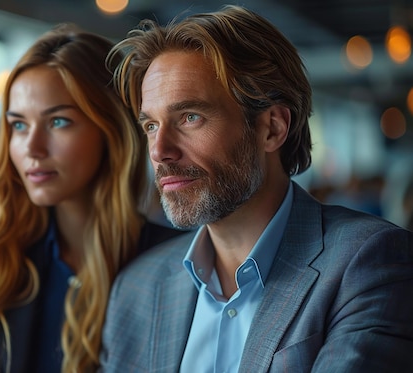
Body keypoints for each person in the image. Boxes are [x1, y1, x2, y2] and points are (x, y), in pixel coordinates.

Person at [100, 5, 413, 372]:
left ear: (272, 128)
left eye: (190, 117)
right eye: (151, 125)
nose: (159, 151)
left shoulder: (369, 263)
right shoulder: (136, 289)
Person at [0, 24, 184, 373]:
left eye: (58, 122)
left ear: (111, 130)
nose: (32, 149)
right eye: (18, 125)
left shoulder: (178, 267)